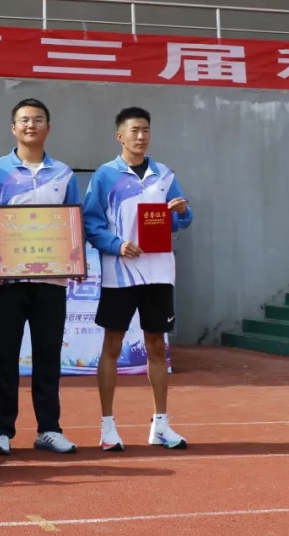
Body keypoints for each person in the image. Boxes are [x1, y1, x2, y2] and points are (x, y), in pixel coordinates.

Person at [0, 98, 81, 457]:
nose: (31, 125)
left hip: (52, 282)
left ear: (48, 127)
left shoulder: (64, 174)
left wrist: (74, 259)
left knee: (48, 357)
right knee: (5, 356)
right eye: (24, 120)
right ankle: (1, 431)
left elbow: (73, 225)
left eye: (38, 120)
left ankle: (49, 429)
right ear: (13, 128)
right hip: (8, 283)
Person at [83, 106, 193, 451]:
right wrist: (116, 245)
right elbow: (90, 223)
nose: (141, 136)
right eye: (134, 130)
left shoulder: (164, 174)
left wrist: (182, 211)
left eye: (145, 130)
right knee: (112, 346)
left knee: (156, 346)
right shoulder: (105, 176)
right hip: (120, 274)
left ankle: (161, 424)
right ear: (120, 136)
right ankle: (107, 427)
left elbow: (180, 220)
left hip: (159, 272)